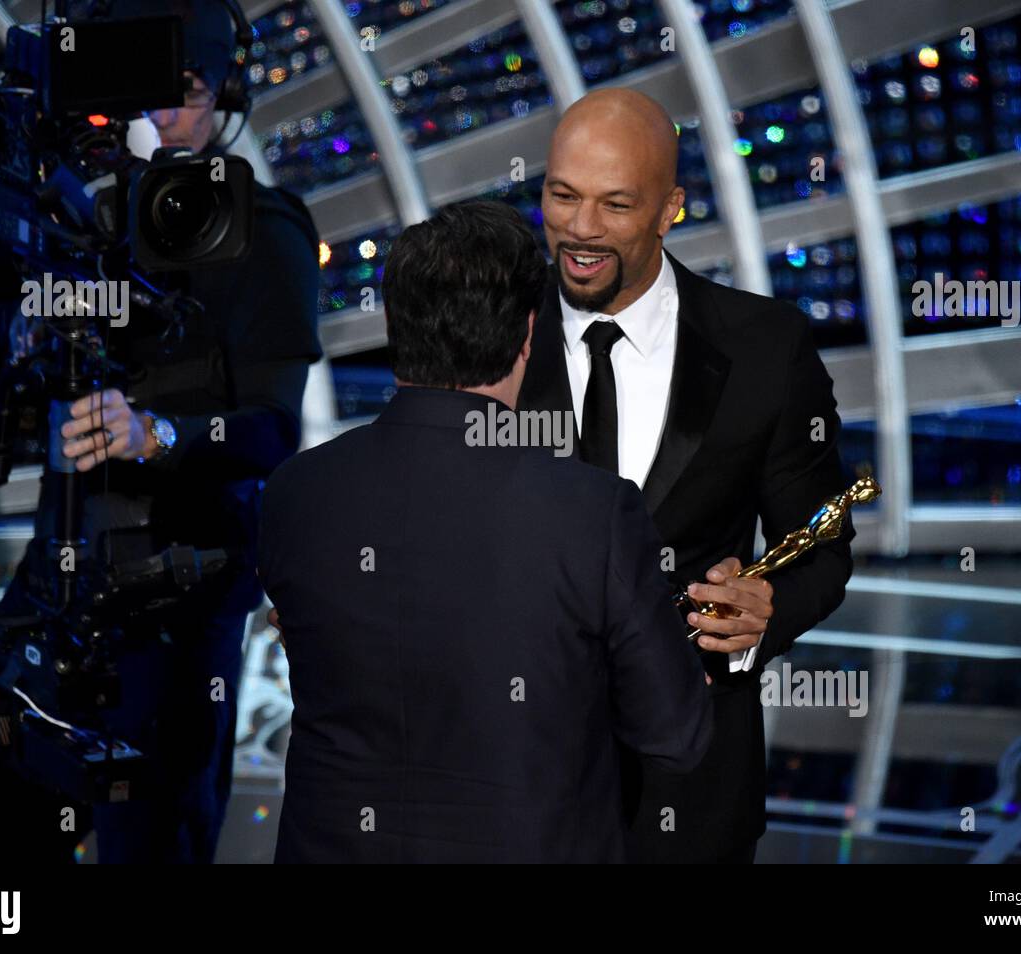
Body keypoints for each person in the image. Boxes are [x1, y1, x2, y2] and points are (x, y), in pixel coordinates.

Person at [0, 0, 322, 863]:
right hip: (56, 579)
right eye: (149, 90)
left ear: (225, 90)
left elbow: (271, 430)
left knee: (151, 841)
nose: (165, 112)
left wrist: (158, 435)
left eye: (185, 88)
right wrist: (28, 324)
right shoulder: (72, 214)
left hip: (181, 598)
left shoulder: (264, 226)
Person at [258, 200, 713, 863]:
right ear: (529, 332)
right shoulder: (592, 511)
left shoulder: (296, 493)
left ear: (394, 324)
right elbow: (674, 734)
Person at [518, 88, 856, 863]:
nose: (580, 229)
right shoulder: (496, 330)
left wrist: (766, 612)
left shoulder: (765, 349)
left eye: (615, 205)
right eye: (561, 195)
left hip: (692, 788)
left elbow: (824, 541)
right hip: (513, 782)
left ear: (670, 209)